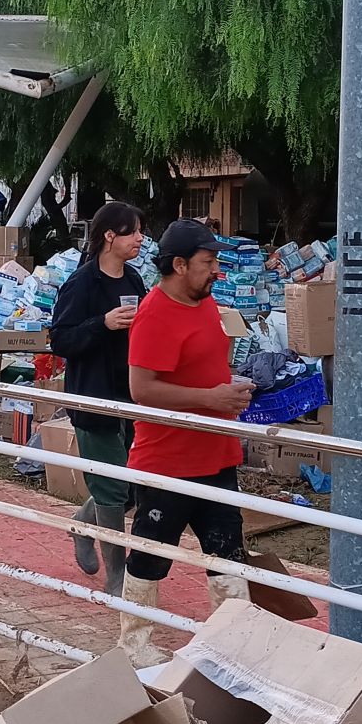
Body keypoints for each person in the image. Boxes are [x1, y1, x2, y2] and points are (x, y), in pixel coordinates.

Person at [117, 219, 255, 667]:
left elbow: (201, 365)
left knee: (228, 553)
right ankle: (134, 646)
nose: (216, 270)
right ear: (179, 265)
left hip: (217, 453)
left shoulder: (207, 304)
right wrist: (211, 397)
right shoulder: (154, 314)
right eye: (207, 262)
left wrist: (224, 390)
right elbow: (142, 389)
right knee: (151, 555)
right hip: (166, 461)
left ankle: (233, 644)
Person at [49, 202, 147, 595]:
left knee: (132, 483)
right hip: (93, 397)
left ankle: (81, 524)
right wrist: (102, 324)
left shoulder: (135, 279)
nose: (140, 239)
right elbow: (60, 339)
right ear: (110, 236)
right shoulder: (82, 284)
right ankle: (116, 575)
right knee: (111, 486)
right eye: (133, 232)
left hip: (133, 395)